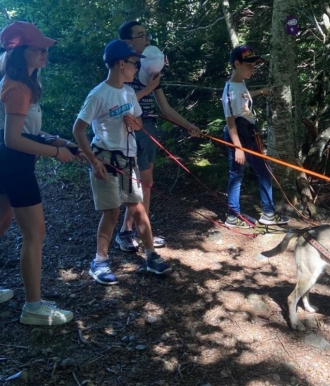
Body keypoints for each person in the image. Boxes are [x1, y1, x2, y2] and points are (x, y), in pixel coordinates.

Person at [72, 40, 172, 285]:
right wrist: (94, 161)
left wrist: (132, 123)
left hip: (129, 161)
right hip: (106, 161)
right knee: (112, 211)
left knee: (138, 208)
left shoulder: (128, 92)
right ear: (120, 64)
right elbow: (78, 130)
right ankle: (100, 262)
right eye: (134, 64)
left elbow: (137, 123)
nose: (137, 68)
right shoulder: (99, 94)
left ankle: (150, 256)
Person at [0, 21, 76, 325]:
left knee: (3, 222)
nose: (45, 53)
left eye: (45, 48)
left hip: (7, 160)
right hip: (13, 163)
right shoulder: (17, 87)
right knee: (35, 234)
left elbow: (23, 130)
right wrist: (58, 153)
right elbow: (13, 139)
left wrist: (58, 141)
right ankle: (33, 307)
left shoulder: (20, 84)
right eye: (38, 49)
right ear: (21, 53)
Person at [114, 21, 201, 252]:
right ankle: (127, 232)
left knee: (147, 183)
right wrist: (148, 90)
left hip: (149, 127)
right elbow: (118, 103)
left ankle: (143, 232)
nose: (147, 40)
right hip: (128, 130)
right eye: (141, 36)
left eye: (147, 35)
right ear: (128, 42)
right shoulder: (120, 67)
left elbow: (164, 108)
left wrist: (189, 125)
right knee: (134, 183)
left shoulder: (151, 70)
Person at [222, 44, 289, 228]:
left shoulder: (239, 83)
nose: (253, 68)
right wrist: (239, 148)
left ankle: (252, 214)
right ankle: (239, 216)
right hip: (239, 135)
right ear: (237, 64)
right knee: (242, 174)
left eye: (254, 65)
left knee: (254, 172)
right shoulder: (228, 91)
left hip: (247, 133)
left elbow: (243, 97)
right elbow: (230, 122)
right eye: (249, 65)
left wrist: (259, 92)